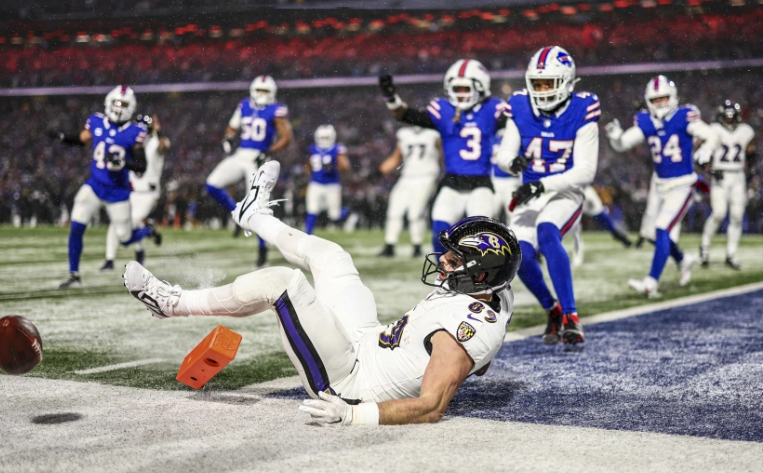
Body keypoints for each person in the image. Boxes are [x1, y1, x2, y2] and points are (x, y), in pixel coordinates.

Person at [124, 161, 520, 425]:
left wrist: (354, 416)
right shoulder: (496, 297)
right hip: (366, 342)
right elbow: (479, 363)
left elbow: (432, 406)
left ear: (481, 275)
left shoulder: (465, 327)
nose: (444, 264)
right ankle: (254, 215)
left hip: (351, 382)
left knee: (282, 282)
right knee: (332, 256)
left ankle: (172, 303)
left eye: (454, 261)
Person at [496, 46, 598, 345]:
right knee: (518, 255)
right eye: (536, 83)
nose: (541, 90)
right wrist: (510, 162)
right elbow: (505, 152)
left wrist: (541, 185)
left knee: (547, 232)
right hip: (530, 193)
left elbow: (586, 171)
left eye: (548, 83)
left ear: (566, 82)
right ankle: (551, 309)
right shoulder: (520, 105)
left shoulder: (583, 109)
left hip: (566, 192)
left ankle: (571, 316)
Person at [606, 75, 718, 297]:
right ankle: (682, 259)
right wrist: (615, 137)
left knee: (662, 228)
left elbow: (711, 135)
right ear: (649, 101)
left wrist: (706, 150)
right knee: (650, 234)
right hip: (658, 185)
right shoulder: (647, 121)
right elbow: (624, 144)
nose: (660, 104)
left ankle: (651, 282)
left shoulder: (684, 116)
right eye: (656, 100)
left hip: (682, 184)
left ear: (673, 98)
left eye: (664, 98)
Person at [379, 59, 503, 255]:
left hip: (481, 184)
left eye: (465, 89)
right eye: (456, 89)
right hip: (451, 183)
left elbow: (517, 125)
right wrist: (391, 97)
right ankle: (445, 280)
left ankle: (483, 282)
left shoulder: (492, 108)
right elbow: (407, 115)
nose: (460, 94)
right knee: (440, 232)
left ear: (481, 87)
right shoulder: (444, 109)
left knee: (480, 239)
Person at [49, 85, 160, 288]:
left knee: (125, 239)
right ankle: (74, 275)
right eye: (116, 103)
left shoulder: (136, 132)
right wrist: (63, 137)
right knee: (76, 227)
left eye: (123, 104)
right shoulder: (96, 121)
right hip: (94, 185)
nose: (118, 108)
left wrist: (123, 163)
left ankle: (148, 230)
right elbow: (82, 139)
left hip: (118, 192)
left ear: (131, 107)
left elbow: (141, 166)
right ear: (109, 102)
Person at [205, 75, 293, 267]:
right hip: (241, 154)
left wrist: (269, 151)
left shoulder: (275, 110)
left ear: (272, 93)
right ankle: (236, 212)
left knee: (257, 208)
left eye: (265, 91)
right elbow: (231, 127)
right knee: (212, 184)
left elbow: (286, 137)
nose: (261, 94)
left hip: (258, 160)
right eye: (259, 91)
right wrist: (228, 137)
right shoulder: (244, 105)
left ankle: (262, 248)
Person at [101, 114, 169, 271]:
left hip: (147, 194)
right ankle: (110, 260)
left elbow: (164, 146)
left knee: (130, 225)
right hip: (130, 191)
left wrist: (159, 131)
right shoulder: (131, 144)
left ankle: (148, 231)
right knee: (117, 223)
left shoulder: (155, 142)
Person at [699, 100, 757, 269]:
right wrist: (709, 170)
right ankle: (705, 248)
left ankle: (731, 254)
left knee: (737, 216)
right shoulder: (714, 130)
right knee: (718, 213)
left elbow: (752, 153)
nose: (730, 121)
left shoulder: (746, 131)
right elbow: (702, 155)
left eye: (732, 118)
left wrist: (751, 170)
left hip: (738, 176)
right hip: (721, 175)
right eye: (727, 117)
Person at [378, 126, 442, 258]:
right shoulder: (404, 134)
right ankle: (390, 245)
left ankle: (417, 245)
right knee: (394, 211)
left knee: (415, 213)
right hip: (406, 177)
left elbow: (443, 154)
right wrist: (380, 171)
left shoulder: (433, 134)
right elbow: (397, 156)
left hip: (426, 176)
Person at [570, 185, 632, 267]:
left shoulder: (588, 193)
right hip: (571, 194)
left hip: (583, 194)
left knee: (601, 217)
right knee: (575, 228)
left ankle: (619, 235)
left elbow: (600, 215)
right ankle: (576, 256)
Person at [304, 124, 350, 235]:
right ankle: (308, 235)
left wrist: (332, 167)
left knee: (335, 215)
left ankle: (349, 213)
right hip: (316, 183)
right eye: (322, 138)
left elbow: (345, 167)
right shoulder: (313, 149)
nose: (324, 140)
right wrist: (308, 168)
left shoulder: (337, 149)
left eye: (326, 138)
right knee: (312, 209)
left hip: (332, 185)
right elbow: (307, 168)